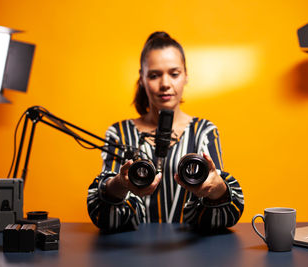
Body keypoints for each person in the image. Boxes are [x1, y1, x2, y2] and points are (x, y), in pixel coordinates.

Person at [87, 32, 244, 232]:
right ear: (142, 79)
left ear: (186, 75)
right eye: (154, 75)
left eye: (174, 73)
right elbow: (104, 217)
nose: (165, 84)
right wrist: (119, 184)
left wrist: (217, 189)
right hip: (132, 249)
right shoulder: (119, 133)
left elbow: (221, 217)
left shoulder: (203, 131)